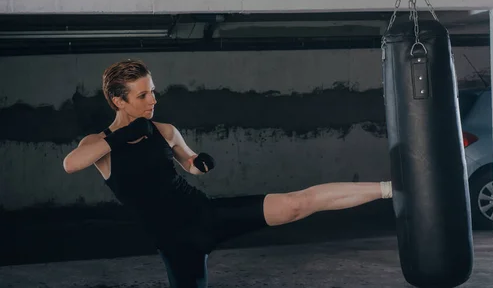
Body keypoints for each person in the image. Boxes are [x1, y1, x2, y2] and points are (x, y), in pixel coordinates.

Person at [63, 59, 393, 288]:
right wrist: (126, 133)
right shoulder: (99, 144)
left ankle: (390, 188)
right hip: (176, 242)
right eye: (143, 94)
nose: (154, 99)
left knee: (296, 203)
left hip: (206, 214)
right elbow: (71, 164)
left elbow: (190, 163)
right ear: (118, 101)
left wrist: (200, 162)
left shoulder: (164, 130)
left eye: (152, 90)